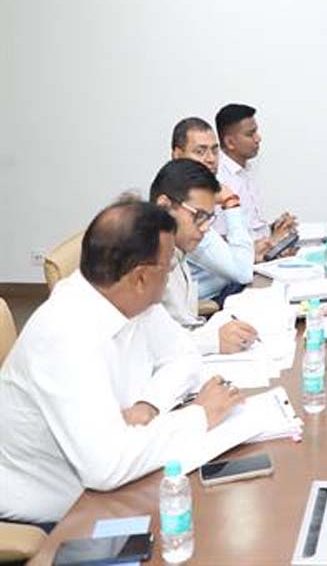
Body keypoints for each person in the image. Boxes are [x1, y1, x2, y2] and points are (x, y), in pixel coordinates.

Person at [0, 201, 243, 525]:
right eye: (168, 267)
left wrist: (148, 405)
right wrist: (200, 415)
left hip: (116, 479)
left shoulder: (128, 297)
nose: (169, 276)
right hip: (61, 512)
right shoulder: (63, 335)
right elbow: (107, 465)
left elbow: (184, 356)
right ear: (140, 277)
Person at [150, 159, 259, 354]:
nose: (205, 228)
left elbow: (184, 325)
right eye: (198, 216)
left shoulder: (179, 250)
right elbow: (151, 345)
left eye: (208, 218)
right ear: (165, 206)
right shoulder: (143, 260)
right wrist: (213, 341)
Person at [171, 117, 255, 302]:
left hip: (220, 293)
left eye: (215, 151)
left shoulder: (204, 195)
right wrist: (231, 202)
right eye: (200, 151)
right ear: (177, 154)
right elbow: (243, 273)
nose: (210, 159)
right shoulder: (183, 208)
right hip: (207, 307)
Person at [214, 103, 297, 244]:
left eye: (256, 132)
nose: (258, 138)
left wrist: (274, 228)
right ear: (230, 142)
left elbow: (251, 228)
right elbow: (223, 242)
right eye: (250, 134)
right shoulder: (220, 180)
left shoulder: (246, 170)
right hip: (249, 256)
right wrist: (272, 242)